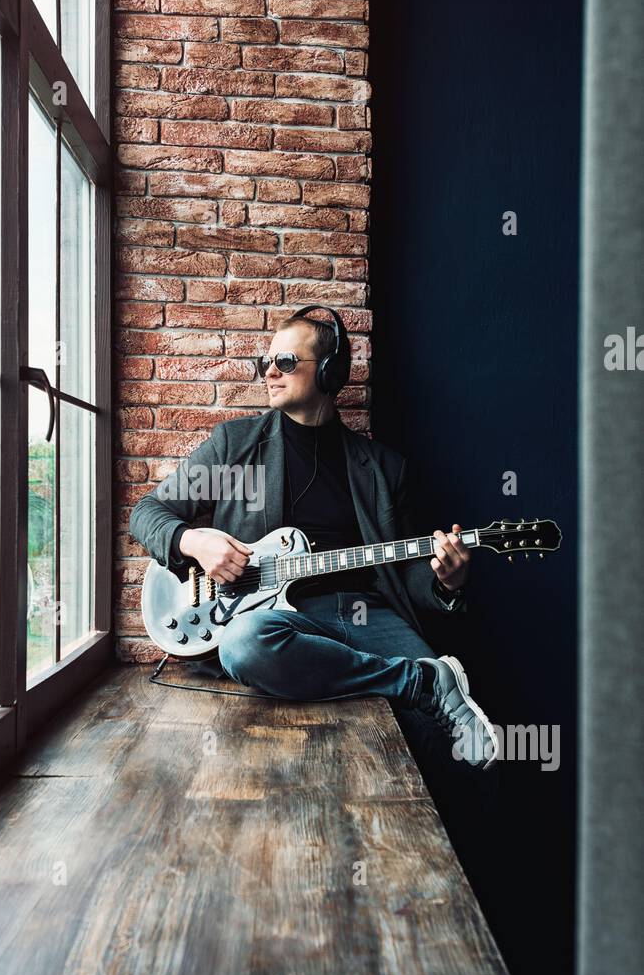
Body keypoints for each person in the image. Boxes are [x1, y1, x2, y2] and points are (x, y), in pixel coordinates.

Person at [129, 305, 499, 771]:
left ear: (329, 372)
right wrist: (194, 542)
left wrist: (446, 581)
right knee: (243, 645)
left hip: (368, 613)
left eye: (285, 362)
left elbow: (406, 573)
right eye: (265, 362)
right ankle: (419, 682)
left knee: (455, 749)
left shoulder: (384, 469)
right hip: (278, 621)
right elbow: (147, 512)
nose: (269, 371)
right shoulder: (234, 445)